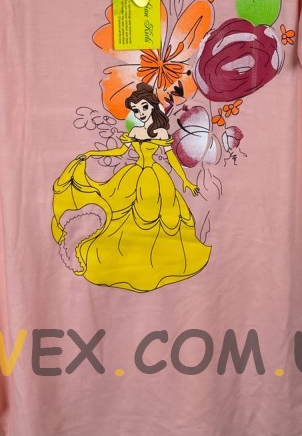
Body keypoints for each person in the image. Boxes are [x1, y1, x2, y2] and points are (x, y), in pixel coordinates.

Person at [51, 83, 212, 292]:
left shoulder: (160, 132)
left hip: (154, 179)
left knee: (159, 220)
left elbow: (171, 160)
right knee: (120, 214)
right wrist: (92, 154)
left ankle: (156, 261)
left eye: (144, 107)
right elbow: (120, 152)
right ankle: (119, 258)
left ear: (152, 106)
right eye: (136, 109)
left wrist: (185, 181)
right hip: (133, 175)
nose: (141, 112)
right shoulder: (135, 130)